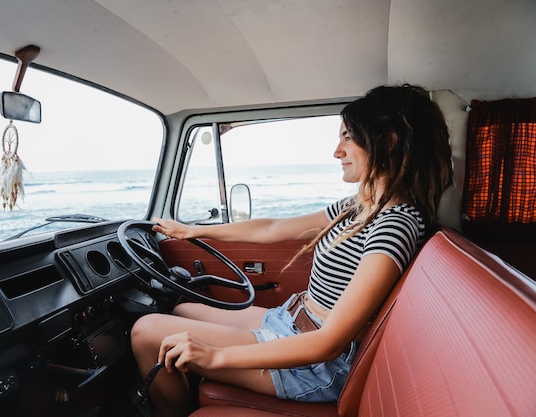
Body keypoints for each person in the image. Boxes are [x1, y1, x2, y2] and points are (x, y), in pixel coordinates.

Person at [130, 84, 454, 417]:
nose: (337, 152)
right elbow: (272, 228)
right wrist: (194, 230)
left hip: (317, 364)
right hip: (292, 320)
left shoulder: (394, 225)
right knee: (181, 313)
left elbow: (329, 342)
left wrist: (213, 355)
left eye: (348, 137)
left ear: (388, 142)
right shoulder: (358, 206)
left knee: (147, 333)